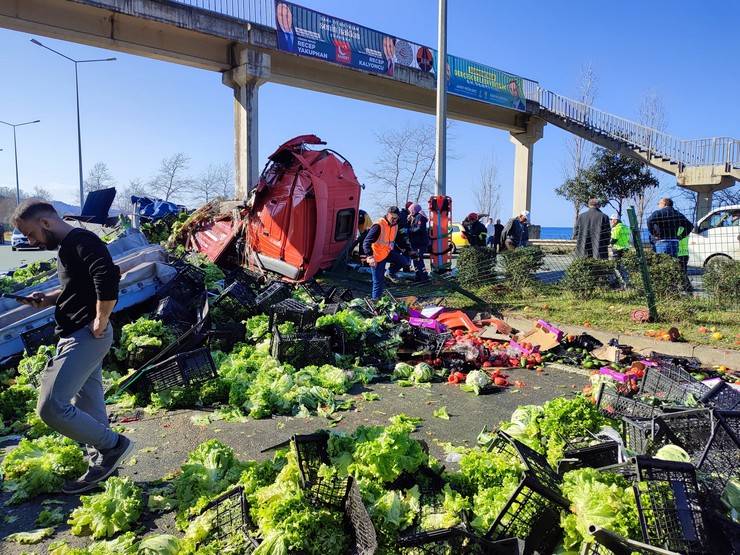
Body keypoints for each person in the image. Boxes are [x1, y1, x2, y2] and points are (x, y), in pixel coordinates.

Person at [12, 199, 131, 494]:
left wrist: (101, 320)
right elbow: (75, 288)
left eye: (30, 234)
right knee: (89, 408)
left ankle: (114, 445)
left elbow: (107, 276)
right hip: (77, 332)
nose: (31, 241)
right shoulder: (68, 248)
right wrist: (48, 298)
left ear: (45, 223)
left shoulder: (81, 240)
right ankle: (102, 467)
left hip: (85, 334)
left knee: (51, 407)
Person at [363, 206, 410, 300]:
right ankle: (376, 302)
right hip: (376, 257)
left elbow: (396, 240)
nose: (394, 220)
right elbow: (366, 242)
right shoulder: (378, 225)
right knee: (378, 282)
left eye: (396, 218)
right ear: (388, 214)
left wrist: (407, 248)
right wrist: (370, 257)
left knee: (404, 261)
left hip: (387, 253)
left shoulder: (395, 226)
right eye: (392, 217)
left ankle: (389, 272)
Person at [408, 204, 430, 281]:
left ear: (415, 209)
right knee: (415, 260)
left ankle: (424, 277)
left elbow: (419, 229)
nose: (410, 212)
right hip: (414, 243)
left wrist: (409, 230)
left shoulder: (420, 217)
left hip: (420, 243)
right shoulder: (413, 217)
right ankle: (418, 276)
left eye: (411, 210)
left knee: (418, 260)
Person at [677, 225, 692, 291]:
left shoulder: (676, 230)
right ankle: (686, 285)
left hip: (679, 253)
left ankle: (687, 286)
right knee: (683, 271)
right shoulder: (686, 229)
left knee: (681, 271)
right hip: (685, 253)